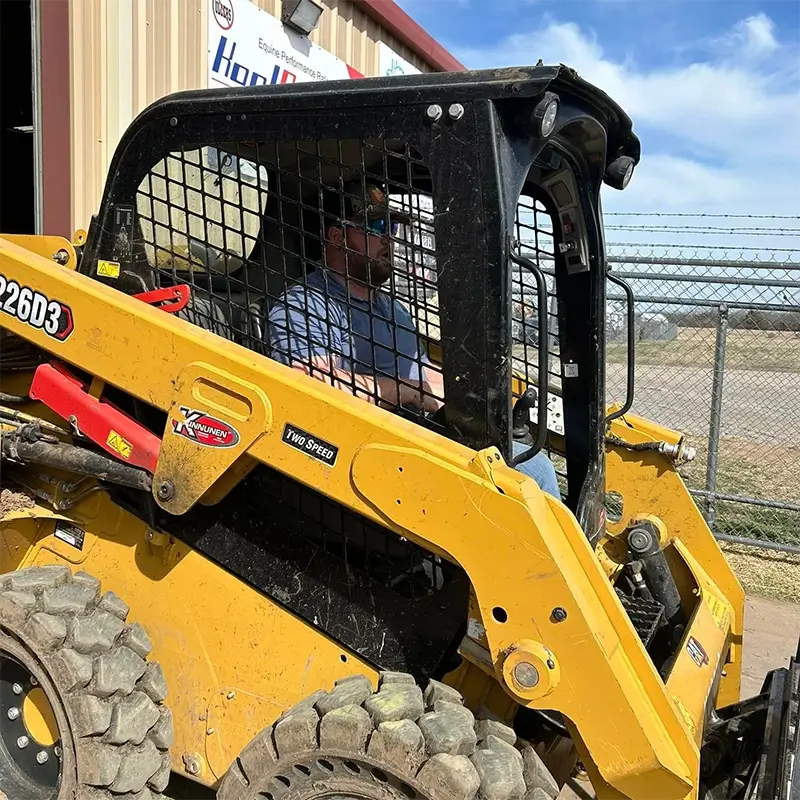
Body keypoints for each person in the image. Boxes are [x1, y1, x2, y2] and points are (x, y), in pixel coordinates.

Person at [267, 180, 561, 498]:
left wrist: (483, 403)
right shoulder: (305, 302)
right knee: (535, 473)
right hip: (360, 459)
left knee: (521, 454)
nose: (388, 238)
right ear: (337, 236)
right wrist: (409, 391)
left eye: (392, 226)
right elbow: (310, 387)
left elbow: (422, 372)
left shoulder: (391, 308)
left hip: (417, 437)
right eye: (376, 225)